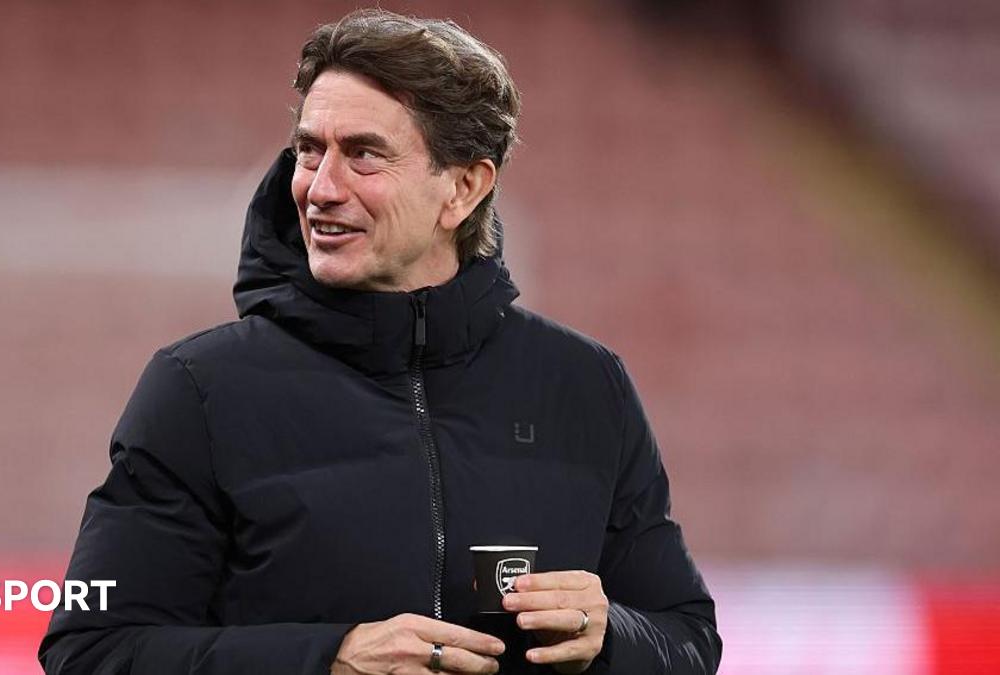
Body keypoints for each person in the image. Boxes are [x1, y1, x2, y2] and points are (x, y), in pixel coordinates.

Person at [39, 9, 720, 674]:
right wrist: (328, 656)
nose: (320, 188)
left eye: (363, 154)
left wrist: (610, 632)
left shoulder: (584, 385)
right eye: (310, 151)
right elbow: (92, 648)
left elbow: (689, 636)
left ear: (462, 187)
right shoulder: (199, 387)